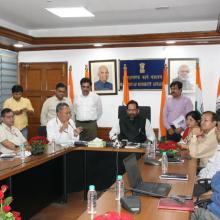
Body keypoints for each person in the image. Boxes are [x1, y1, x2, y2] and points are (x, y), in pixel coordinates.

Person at [197, 109, 220, 179]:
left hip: (209, 180)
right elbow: (211, 165)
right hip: (205, 172)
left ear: (214, 123)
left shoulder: (214, 136)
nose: (202, 122)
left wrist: (199, 178)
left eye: (205, 120)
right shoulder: (207, 133)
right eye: (202, 120)